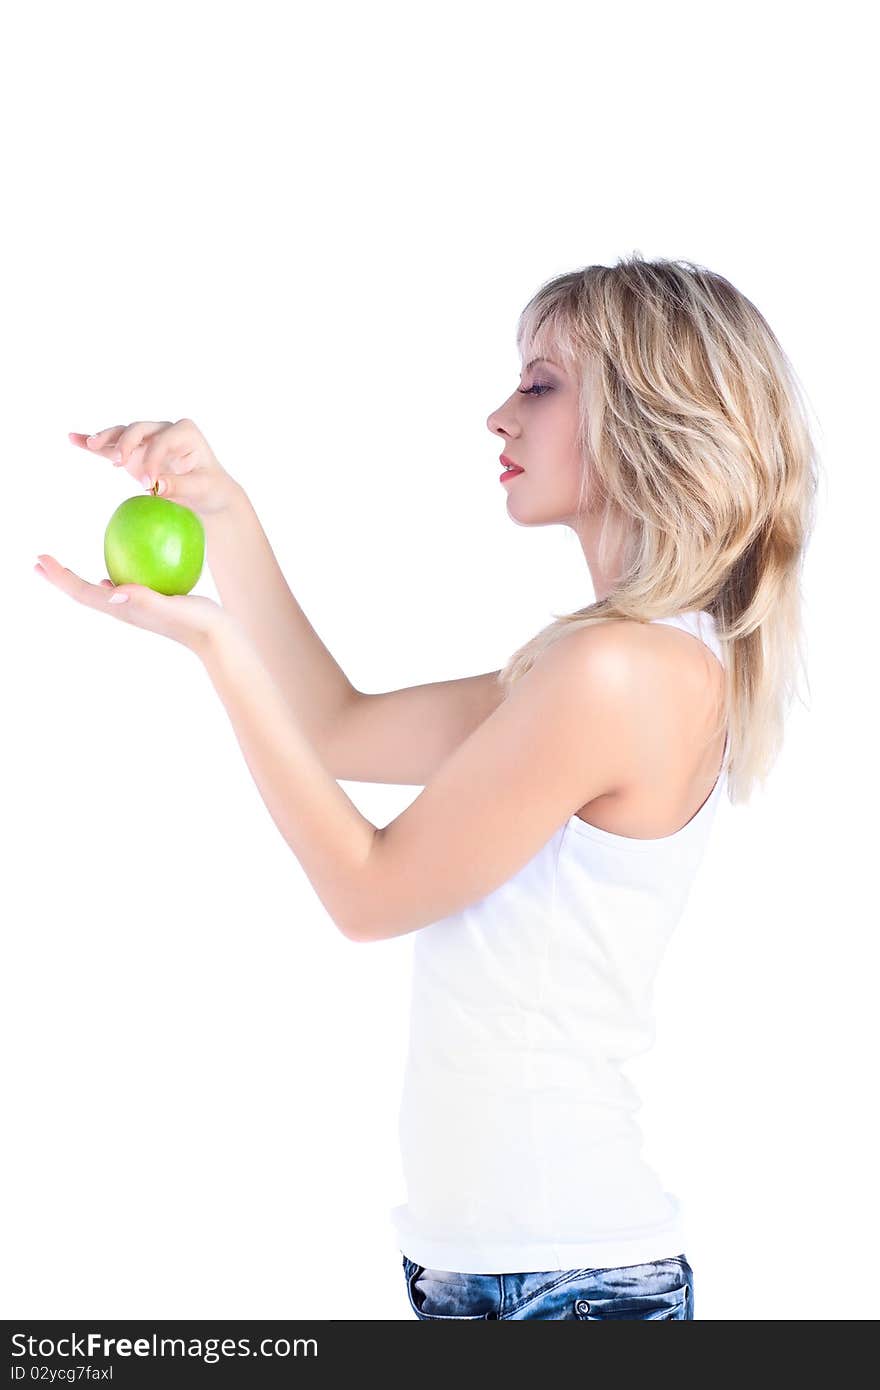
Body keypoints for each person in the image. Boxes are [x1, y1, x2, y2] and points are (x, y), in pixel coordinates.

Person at [63, 253, 819, 1320]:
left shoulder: (621, 673)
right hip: (486, 1267)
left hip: (566, 1283)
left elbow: (368, 894)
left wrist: (215, 649)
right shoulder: (601, 659)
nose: (498, 416)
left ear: (654, 416)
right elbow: (335, 728)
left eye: (542, 384)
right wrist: (222, 513)